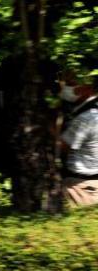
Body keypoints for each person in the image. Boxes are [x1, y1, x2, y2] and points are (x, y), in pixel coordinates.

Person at [59, 73, 98, 207]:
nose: (66, 89)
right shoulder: (92, 113)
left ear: (88, 88)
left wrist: (46, 126)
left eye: (71, 84)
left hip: (81, 188)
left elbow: (60, 147)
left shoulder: (86, 118)